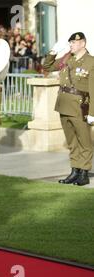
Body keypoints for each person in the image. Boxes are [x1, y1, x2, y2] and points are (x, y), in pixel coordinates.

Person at [43, 32, 94, 186]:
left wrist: (92, 112)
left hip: (80, 107)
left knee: (84, 141)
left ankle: (84, 172)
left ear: (82, 44)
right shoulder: (67, 58)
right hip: (64, 105)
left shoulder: (91, 62)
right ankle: (75, 170)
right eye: (70, 42)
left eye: (73, 42)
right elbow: (47, 66)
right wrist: (53, 52)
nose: (70, 45)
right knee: (72, 141)